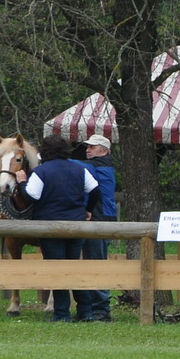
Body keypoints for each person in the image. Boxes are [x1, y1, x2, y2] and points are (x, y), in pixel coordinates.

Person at [23, 133, 101, 322]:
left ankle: (62, 313)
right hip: (76, 224)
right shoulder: (78, 169)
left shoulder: (41, 171)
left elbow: (31, 196)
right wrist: (87, 210)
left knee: (57, 270)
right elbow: (96, 190)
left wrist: (20, 182)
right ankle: (85, 312)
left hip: (50, 227)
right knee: (74, 268)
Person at [76, 133, 117, 321]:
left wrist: (55, 161)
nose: (88, 149)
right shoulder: (94, 166)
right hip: (97, 219)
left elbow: (75, 166)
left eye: (92, 147)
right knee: (91, 264)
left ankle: (101, 309)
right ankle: (91, 309)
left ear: (104, 151)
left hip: (101, 221)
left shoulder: (101, 166)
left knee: (97, 264)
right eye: (88, 146)